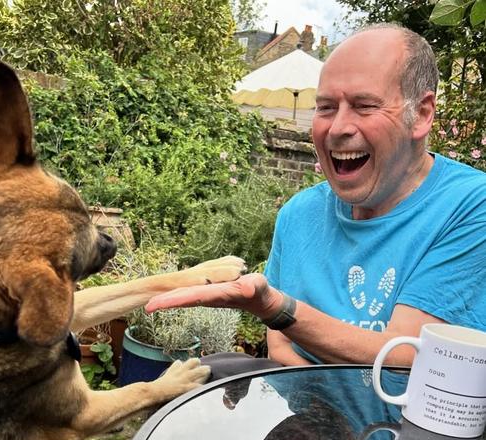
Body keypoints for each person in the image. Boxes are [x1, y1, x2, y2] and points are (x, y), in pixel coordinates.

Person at [147, 24, 486, 369]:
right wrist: (317, 414)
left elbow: (405, 355)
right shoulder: (299, 214)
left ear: (422, 114)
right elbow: (279, 347)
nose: (337, 128)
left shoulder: (470, 205)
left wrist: (278, 308)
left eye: (364, 105)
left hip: (405, 420)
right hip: (306, 405)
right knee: (204, 373)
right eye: (325, 107)